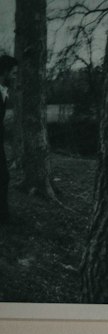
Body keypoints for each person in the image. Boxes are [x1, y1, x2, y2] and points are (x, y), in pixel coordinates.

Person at [0, 54, 17, 227]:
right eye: (13, 72)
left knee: (3, 178)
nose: (15, 76)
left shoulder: (3, 90)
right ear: (4, 71)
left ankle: (4, 216)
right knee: (3, 177)